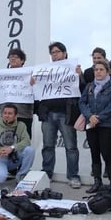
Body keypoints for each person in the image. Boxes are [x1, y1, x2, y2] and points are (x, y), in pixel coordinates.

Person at [36, 41, 84, 189]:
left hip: (66, 114)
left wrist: (79, 76)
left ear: (64, 53)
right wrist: (33, 82)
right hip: (48, 114)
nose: (54, 55)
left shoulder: (72, 69)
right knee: (48, 146)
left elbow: (82, 88)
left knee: (71, 147)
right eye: (52, 53)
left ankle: (73, 176)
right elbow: (37, 90)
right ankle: (47, 173)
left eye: (57, 52)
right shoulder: (45, 70)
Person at [79, 60, 111, 193]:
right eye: (96, 70)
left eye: (101, 69)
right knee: (94, 153)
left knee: (107, 154)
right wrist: (89, 116)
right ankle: (97, 182)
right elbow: (82, 102)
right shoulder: (90, 86)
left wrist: (99, 118)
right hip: (91, 124)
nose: (98, 72)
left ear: (107, 71)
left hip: (106, 125)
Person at [0, 104, 35, 184]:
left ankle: (21, 175)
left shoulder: (21, 126)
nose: (7, 115)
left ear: (15, 116)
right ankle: (2, 172)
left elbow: (26, 141)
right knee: (0, 178)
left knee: (30, 150)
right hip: (0, 158)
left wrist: (12, 148)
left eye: (10, 113)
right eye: (5, 113)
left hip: (15, 157)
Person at [0, 48, 34, 138]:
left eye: (16, 57)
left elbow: (36, 94)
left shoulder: (30, 74)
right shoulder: (1, 75)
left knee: (24, 143)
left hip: (24, 114)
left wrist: (34, 84)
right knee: (4, 142)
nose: (12, 59)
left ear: (22, 60)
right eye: (10, 57)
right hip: (6, 115)